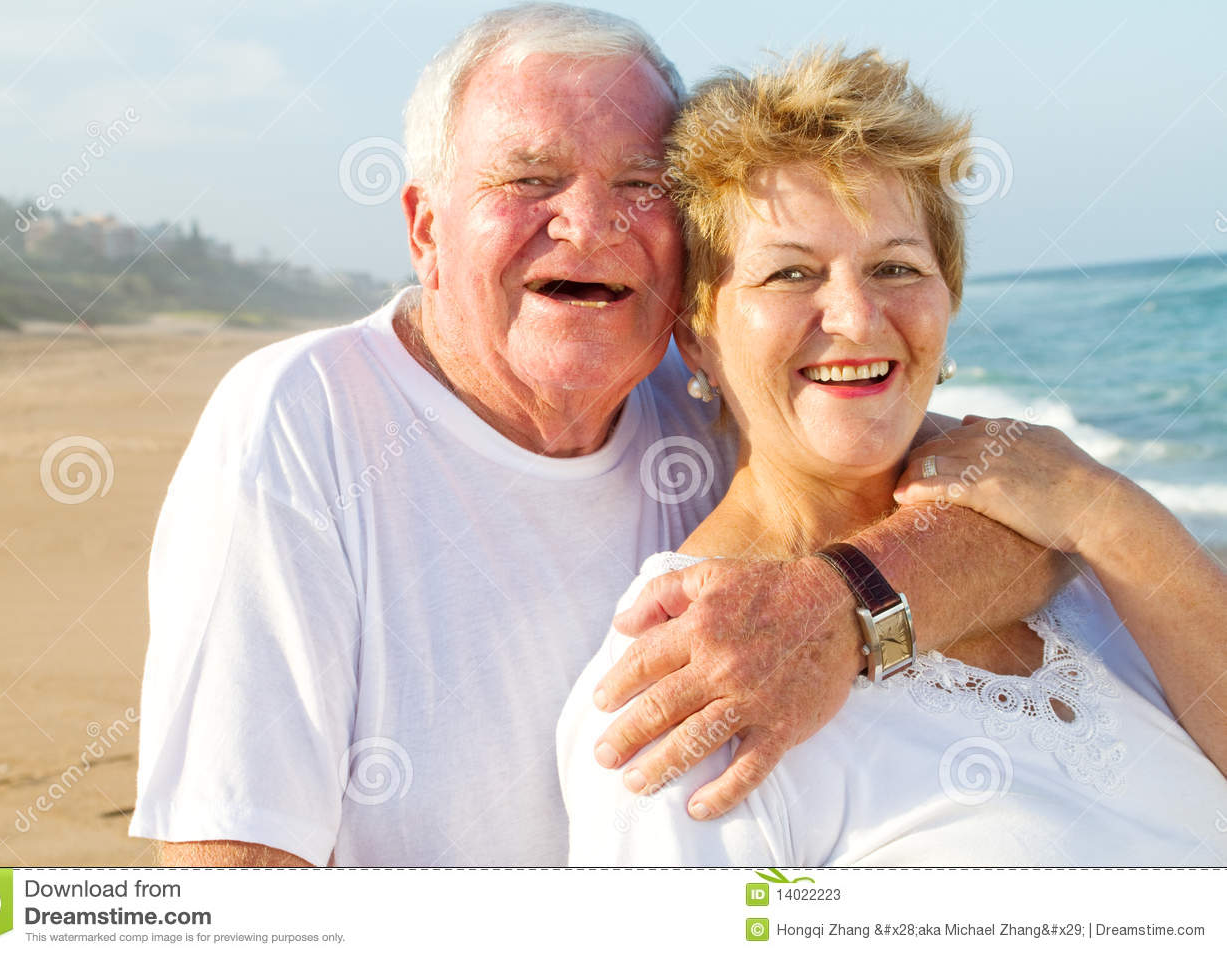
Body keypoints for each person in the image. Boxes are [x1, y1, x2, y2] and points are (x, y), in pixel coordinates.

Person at [130, 5, 1070, 868]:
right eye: (529, 179)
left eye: (639, 183)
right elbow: (234, 879)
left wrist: (844, 609)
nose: (587, 224)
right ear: (425, 228)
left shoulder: (703, 389)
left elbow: (1014, 514)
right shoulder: (302, 419)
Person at [558, 47, 1227, 865]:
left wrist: (1105, 509)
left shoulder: (1066, 545)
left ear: (948, 300)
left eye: (896, 267)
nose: (855, 314)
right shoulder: (685, 678)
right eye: (790, 272)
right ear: (697, 331)